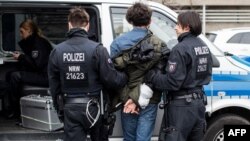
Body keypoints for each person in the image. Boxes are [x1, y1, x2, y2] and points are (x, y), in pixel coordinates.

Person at [48, 7, 127, 141]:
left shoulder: (57, 51)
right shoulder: (98, 50)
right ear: (88, 25)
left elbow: (54, 86)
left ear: (69, 25)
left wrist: (60, 109)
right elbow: (111, 80)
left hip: (70, 107)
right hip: (95, 108)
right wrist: (126, 76)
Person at [145, 11, 213, 141]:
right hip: (198, 105)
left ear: (186, 27)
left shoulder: (180, 49)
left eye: (178, 24)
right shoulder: (204, 46)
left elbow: (172, 82)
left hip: (181, 108)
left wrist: (152, 76)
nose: (175, 28)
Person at [110, 2, 168, 141]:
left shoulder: (118, 43)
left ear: (130, 21)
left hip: (126, 98)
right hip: (150, 98)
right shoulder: (159, 43)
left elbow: (113, 75)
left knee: (129, 138)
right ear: (150, 21)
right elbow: (161, 73)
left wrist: (130, 99)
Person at [6, 19, 53, 118]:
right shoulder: (33, 41)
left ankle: (15, 110)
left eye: (22, 32)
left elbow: (37, 65)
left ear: (29, 31)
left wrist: (21, 57)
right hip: (40, 73)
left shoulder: (38, 43)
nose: (20, 35)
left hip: (44, 77)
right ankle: (10, 107)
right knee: (10, 74)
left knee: (15, 76)